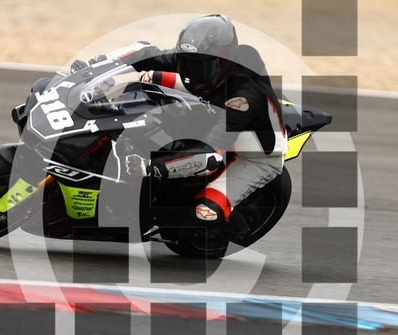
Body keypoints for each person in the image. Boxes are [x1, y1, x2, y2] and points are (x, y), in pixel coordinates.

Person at [119, 15, 288, 229]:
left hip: (253, 156)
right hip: (218, 106)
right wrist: (94, 66)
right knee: (150, 78)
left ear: (222, 61)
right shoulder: (206, 64)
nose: (192, 71)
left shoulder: (243, 98)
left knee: (204, 214)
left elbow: (209, 155)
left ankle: (228, 229)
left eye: (201, 66)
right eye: (187, 63)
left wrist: (150, 167)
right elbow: (147, 54)